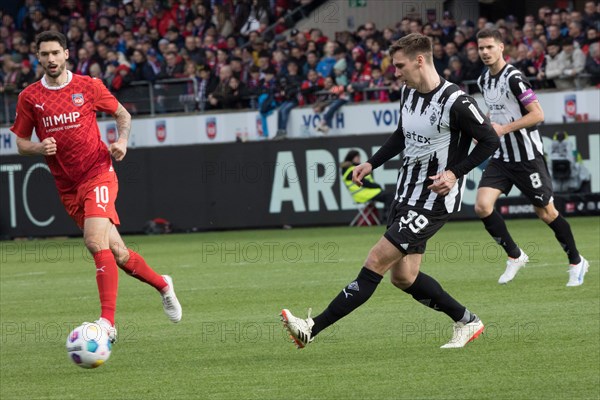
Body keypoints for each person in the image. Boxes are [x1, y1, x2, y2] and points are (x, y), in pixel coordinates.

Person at [281, 33, 499, 349]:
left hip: (432, 201)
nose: (395, 72)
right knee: (404, 277)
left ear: (420, 60)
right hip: (404, 194)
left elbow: (490, 141)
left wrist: (453, 173)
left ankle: (310, 329)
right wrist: (371, 163)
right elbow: (402, 133)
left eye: (400, 66)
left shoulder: (456, 102)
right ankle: (468, 321)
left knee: (375, 261)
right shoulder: (407, 93)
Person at [10, 31, 182, 342]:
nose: (50, 59)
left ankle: (107, 323)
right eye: (44, 54)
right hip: (67, 186)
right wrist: (39, 148)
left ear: (66, 54)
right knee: (117, 252)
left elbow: (122, 113)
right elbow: (21, 142)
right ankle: (163, 284)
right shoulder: (30, 97)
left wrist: (122, 141)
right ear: (38, 57)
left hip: (99, 173)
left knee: (93, 241)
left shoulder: (87, 86)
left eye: (55, 53)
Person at [474, 29, 589, 286]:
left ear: (501, 47)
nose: (484, 52)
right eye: (481, 48)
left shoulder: (514, 78)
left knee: (547, 213)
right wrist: (483, 131)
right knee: (482, 206)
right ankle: (515, 256)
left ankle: (576, 261)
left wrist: (502, 129)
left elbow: (538, 114)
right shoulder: (483, 80)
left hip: (527, 157)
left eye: (489, 47)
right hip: (503, 157)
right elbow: (493, 113)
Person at [340, 150, 394, 220]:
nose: (359, 158)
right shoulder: (352, 170)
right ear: (351, 158)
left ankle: (386, 216)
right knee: (389, 196)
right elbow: (364, 183)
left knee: (389, 195)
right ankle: (387, 217)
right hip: (364, 194)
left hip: (365, 193)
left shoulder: (350, 170)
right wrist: (377, 186)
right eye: (357, 157)